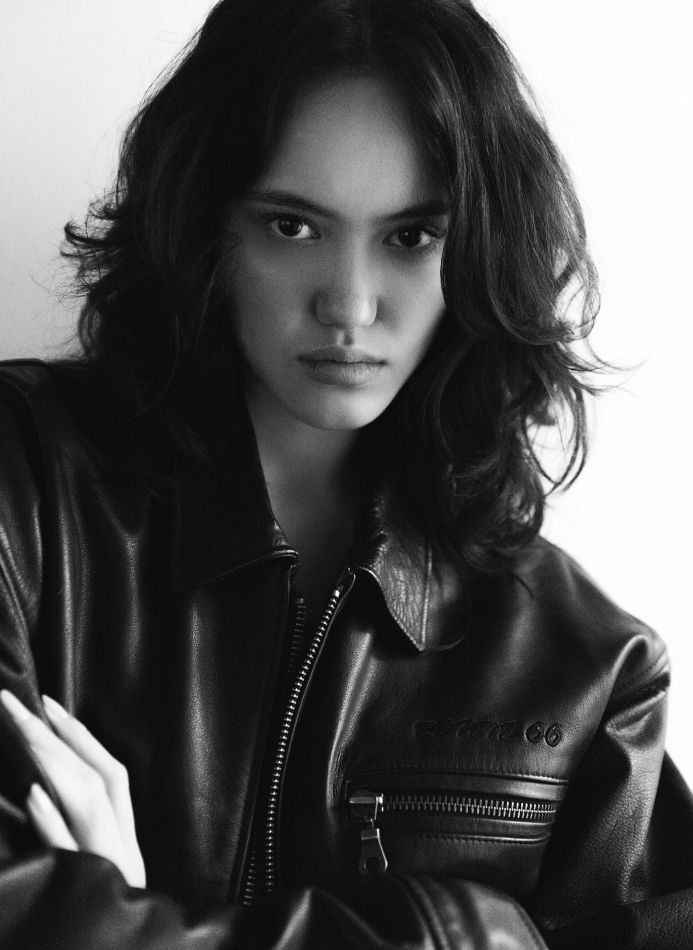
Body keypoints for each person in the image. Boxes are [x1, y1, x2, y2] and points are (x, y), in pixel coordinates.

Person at [0, 0, 692, 946]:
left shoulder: (588, 671)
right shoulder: (24, 489)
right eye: (292, 226)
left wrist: (112, 918)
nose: (350, 305)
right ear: (205, 226)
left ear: (482, 251)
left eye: (411, 236)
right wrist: (473, 933)